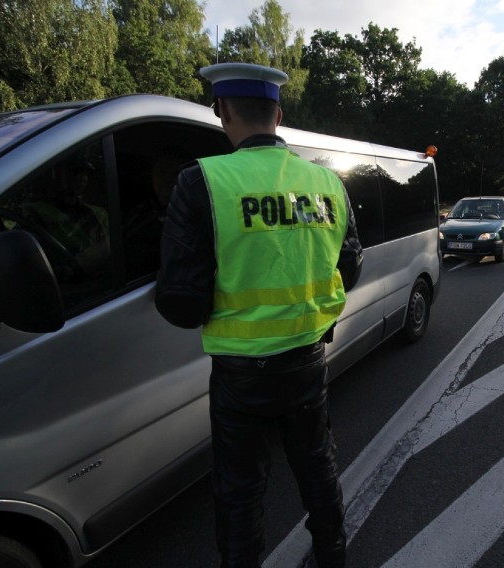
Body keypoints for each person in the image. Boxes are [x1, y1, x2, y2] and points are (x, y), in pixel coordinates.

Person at [155, 62, 363, 568]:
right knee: (317, 468)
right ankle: (334, 557)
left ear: (222, 112)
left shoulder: (201, 181)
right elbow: (351, 267)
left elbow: (181, 303)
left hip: (239, 375)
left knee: (240, 492)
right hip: (308, 362)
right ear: (279, 114)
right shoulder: (327, 184)